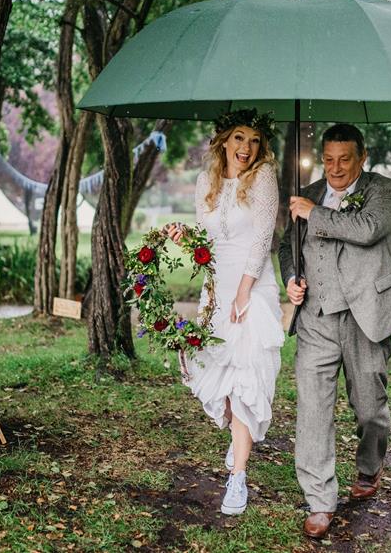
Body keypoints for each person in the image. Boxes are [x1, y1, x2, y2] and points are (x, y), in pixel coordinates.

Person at [278, 123, 391, 539]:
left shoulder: (387, 191)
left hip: (366, 315)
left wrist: (313, 213)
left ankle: (369, 469)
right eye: (329, 159)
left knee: (370, 409)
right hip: (317, 317)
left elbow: (367, 229)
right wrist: (291, 278)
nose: (335, 168)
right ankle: (319, 500)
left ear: (362, 157)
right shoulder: (312, 192)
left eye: (345, 159)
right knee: (313, 408)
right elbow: (288, 248)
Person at [166, 109, 283, 516]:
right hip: (216, 287)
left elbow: (263, 236)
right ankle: (238, 441)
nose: (246, 148)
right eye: (238, 138)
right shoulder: (206, 182)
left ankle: (238, 478)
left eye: (253, 140)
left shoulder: (264, 176)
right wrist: (185, 238)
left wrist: (244, 292)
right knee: (221, 375)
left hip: (252, 287)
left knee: (245, 378)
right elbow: (207, 240)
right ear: (223, 141)